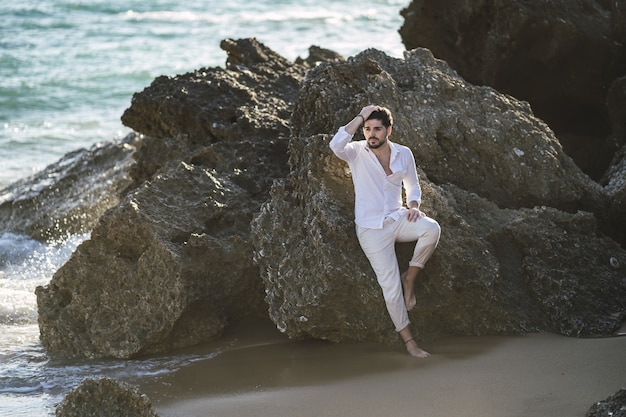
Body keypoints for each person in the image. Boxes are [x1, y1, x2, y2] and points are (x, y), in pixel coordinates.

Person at [329, 105, 441, 358]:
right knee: (389, 287)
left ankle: (410, 278)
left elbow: (413, 185)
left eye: (377, 129)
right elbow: (336, 145)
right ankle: (410, 342)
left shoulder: (404, 153)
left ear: (388, 130)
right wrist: (360, 116)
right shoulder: (356, 151)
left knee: (431, 229)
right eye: (368, 129)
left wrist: (413, 207)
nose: (372, 134)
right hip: (371, 229)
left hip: (398, 218)